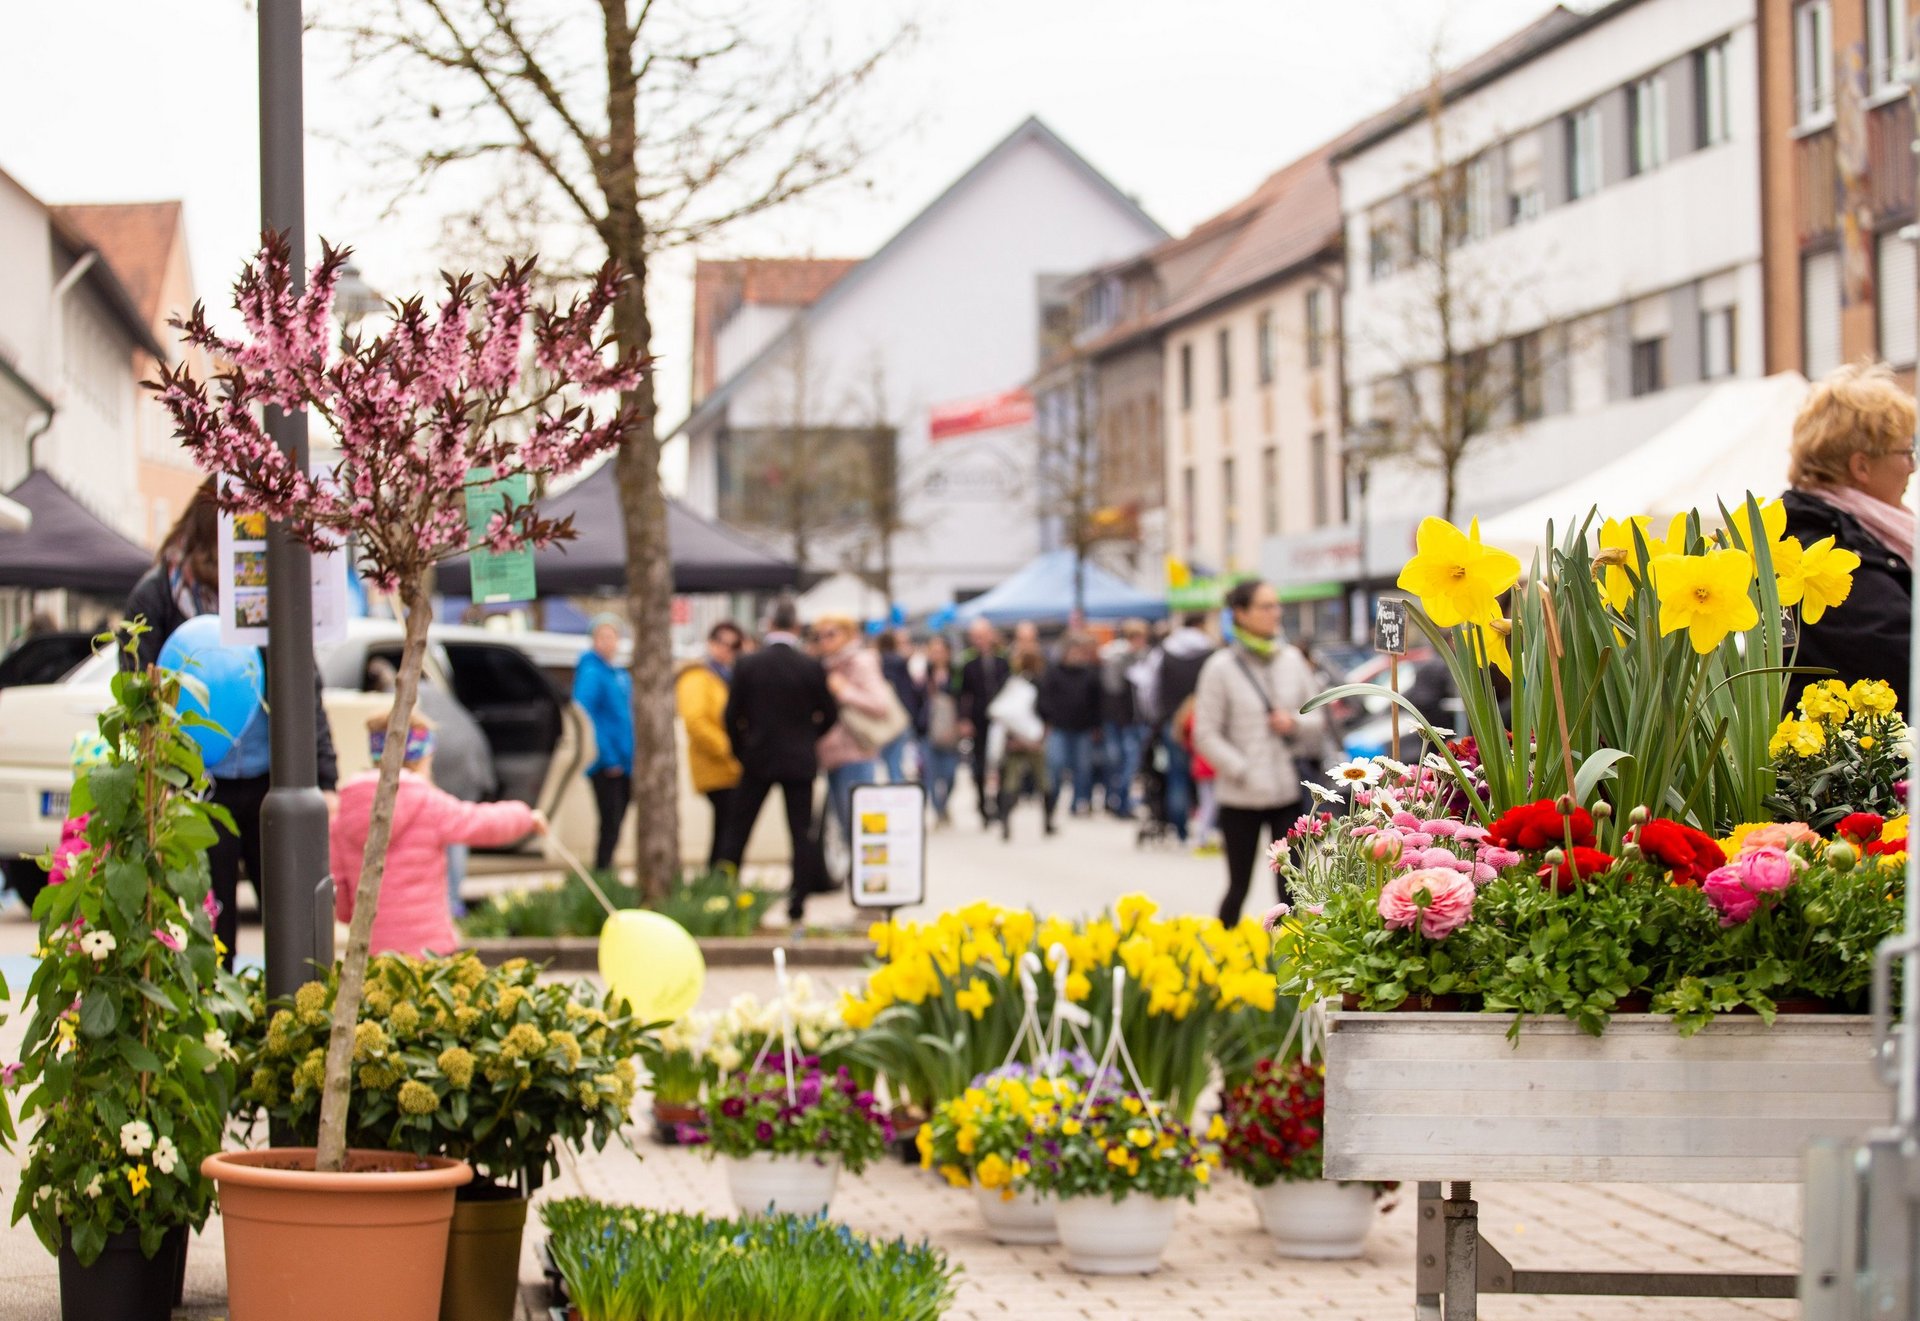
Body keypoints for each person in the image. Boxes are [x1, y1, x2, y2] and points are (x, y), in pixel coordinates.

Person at [121, 480, 338, 967]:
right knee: (208, 924)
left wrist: (325, 775)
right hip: (196, 785)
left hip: (270, 777)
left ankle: (289, 1022)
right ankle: (218, 1032)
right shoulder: (157, 596)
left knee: (291, 920)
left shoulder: (264, 592)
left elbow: (304, 683)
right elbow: (138, 694)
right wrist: (153, 781)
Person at [332, 710, 545, 957]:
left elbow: (340, 887)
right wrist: (526, 817)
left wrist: (351, 915)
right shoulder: (428, 803)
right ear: (423, 759)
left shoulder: (344, 812)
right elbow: (482, 823)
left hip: (372, 948)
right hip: (429, 950)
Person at [1780, 361, 1916, 712]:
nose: (1913, 466)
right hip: (1855, 763)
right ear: (1861, 466)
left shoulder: (1811, 531)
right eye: (1906, 451)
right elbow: (1900, 651)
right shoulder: (1823, 551)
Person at [1192, 579, 1328, 925]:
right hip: (1240, 796)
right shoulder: (1219, 667)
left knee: (1291, 889)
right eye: (1265, 606)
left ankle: (1290, 962)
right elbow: (1204, 733)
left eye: (1276, 605)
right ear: (1240, 613)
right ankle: (1226, 957)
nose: (1275, 613)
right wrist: (1240, 768)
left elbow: (1318, 720)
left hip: (1286, 790)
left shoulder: (1293, 659)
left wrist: (1293, 724)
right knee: (1238, 886)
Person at [719, 602, 838, 921]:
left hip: (757, 757)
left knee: (738, 831)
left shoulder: (748, 664)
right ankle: (797, 901)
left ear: (770, 625)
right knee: (800, 834)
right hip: (798, 760)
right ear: (797, 627)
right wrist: (808, 738)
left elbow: (731, 716)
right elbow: (830, 713)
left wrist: (741, 750)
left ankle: (725, 895)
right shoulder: (810, 666)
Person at [814, 614, 893, 860]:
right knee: (843, 820)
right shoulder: (827, 664)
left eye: (831, 634)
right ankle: (863, 878)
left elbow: (880, 704)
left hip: (856, 752)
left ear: (848, 634)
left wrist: (844, 691)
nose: (824, 641)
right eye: (820, 635)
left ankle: (872, 878)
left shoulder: (860, 662)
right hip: (832, 754)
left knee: (860, 822)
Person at [1134, 612, 1214, 844]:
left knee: (1176, 775)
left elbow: (1147, 688)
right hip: (1204, 719)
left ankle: (1180, 829)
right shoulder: (1211, 652)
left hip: (1173, 722)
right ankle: (1206, 827)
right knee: (1206, 777)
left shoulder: (1165, 651)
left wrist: (1154, 716)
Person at [676, 620, 744, 871]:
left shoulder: (725, 677)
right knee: (726, 830)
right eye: (722, 643)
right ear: (710, 643)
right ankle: (718, 880)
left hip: (728, 766)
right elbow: (695, 722)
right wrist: (729, 749)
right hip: (715, 765)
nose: (727, 650)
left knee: (726, 828)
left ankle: (718, 881)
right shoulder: (697, 676)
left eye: (734, 645)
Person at [574, 613, 633, 873]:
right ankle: (602, 872)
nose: (608, 642)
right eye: (602, 636)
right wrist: (607, 757)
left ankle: (606, 872)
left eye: (612, 636)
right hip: (606, 762)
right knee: (609, 821)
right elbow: (585, 718)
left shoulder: (618, 673)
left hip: (625, 761)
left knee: (617, 821)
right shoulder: (591, 673)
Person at [987, 648, 1053, 840]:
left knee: (1011, 782)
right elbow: (1046, 713)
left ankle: (1006, 821)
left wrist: (1013, 739)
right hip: (1033, 740)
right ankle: (1047, 823)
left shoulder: (1012, 684)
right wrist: (1038, 739)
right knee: (1043, 781)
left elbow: (1000, 713)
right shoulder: (1036, 684)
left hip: (1015, 740)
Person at [1036, 632, 1102, 817]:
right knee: (1056, 765)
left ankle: (1078, 803)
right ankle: (1052, 802)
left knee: (1083, 768)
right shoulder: (1053, 672)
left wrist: (1096, 725)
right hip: (1059, 727)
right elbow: (1044, 698)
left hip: (1083, 728)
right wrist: (1048, 720)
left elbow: (1097, 702)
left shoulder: (1090, 674)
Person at [955, 618, 1010, 826]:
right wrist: (964, 720)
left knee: (1000, 762)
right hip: (978, 720)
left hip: (1000, 720)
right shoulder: (967, 663)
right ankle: (982, 805)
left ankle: (998, 803)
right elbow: (962, 694)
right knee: (978, 764)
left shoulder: (1003, 661)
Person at [1098, 619, 1151, 817]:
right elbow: (1112, 690)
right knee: (1122, 762)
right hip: (1122, 720)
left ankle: (1121, 801)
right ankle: (1119, 802)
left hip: (1139, 719)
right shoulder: (1117, 659)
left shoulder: (1146, 657)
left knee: (1131, 763)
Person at [915, 634, 964, 825]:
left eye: (940, 651)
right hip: (928, 729)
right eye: (933, 651)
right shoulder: (922, 675)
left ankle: (944, 804)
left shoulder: (957, 673)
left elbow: (964, 698)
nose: (936, 655)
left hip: (951, 730)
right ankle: (938, 811)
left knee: (950, 774)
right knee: (930, 774)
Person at [874, 629, 923, 783]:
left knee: (888, 761)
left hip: (882, 719)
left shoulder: (877, 662)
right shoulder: (899, 662)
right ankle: (896, 792)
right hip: (899, 718)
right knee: (896, 763)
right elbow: (909, 692)